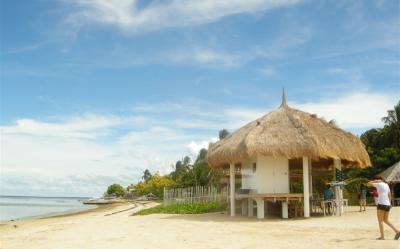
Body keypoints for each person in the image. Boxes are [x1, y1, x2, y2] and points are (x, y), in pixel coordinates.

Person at [367, 176, 400, 240]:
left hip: (381, 204)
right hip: (387, 204)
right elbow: (389, 194)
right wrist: (390, 204)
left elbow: (368, 184)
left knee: (380, 221)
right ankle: (397, 231)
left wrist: (376, 181)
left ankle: (382, 237)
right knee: (386, 220)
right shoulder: (386, 185)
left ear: (378, 179)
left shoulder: (378, 184)